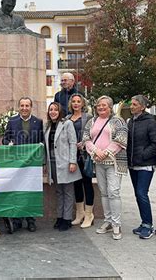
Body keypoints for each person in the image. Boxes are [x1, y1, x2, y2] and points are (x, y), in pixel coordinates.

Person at [83, 95, 128, 240]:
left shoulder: (118, 121)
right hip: (98, 162)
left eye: (104, 105)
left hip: (114, 162)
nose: (101, 107)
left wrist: (106, 153)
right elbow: (86, 139)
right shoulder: (92, 121)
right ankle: (108, 221)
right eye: (99, 105)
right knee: (103, 192)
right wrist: (96, 152)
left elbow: (121, 140)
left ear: (110, 107)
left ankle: (116, 224)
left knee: (113, 192)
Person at [2, 97, 44, 232]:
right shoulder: (12, 121)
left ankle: (31, 220)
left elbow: (41, 141)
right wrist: (8, 143)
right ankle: (17, 219)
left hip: (32, 165)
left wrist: (41, 160)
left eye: (27, 105)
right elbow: (4, 139)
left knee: (31, 191)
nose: (24, 108)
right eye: (22, 105)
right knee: (17, 191)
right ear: (18, 107)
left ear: (31, 107)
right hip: (17, 164)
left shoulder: (38, 122)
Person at [126, 95, 156, 239]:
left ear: (142, 106)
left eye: (134, 104)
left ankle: (148, 225)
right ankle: (144, 222)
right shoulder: (130, 122)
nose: (131, 106)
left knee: (141, 193)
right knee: (138, 194)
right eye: (131, 104)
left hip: (145, 164)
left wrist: (143, 155)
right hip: (133, 165)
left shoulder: (150, 122)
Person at [45, 102, 82, 231]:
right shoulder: (48, 126)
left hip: (66, 163)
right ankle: (60, 217)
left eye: (55, 110)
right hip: (53, 163)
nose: (53, 112)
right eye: (51, 110)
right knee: (59, 191)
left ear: (60, 111)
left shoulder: (67, 124)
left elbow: (73, 143)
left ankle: (67, 219)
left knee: (68, 191)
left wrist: (73, 161)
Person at [66, 93, 94, 228]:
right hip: (72, 156)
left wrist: (84, 142)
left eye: (78, 101)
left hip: (84, 155)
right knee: (76, 184)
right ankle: (80, 213)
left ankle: (89, 214)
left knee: (87, 183)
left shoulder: (88, 117)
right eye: (74, 101)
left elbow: (93, 134)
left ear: (83, 104)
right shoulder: (67, 118)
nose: (76, 104)